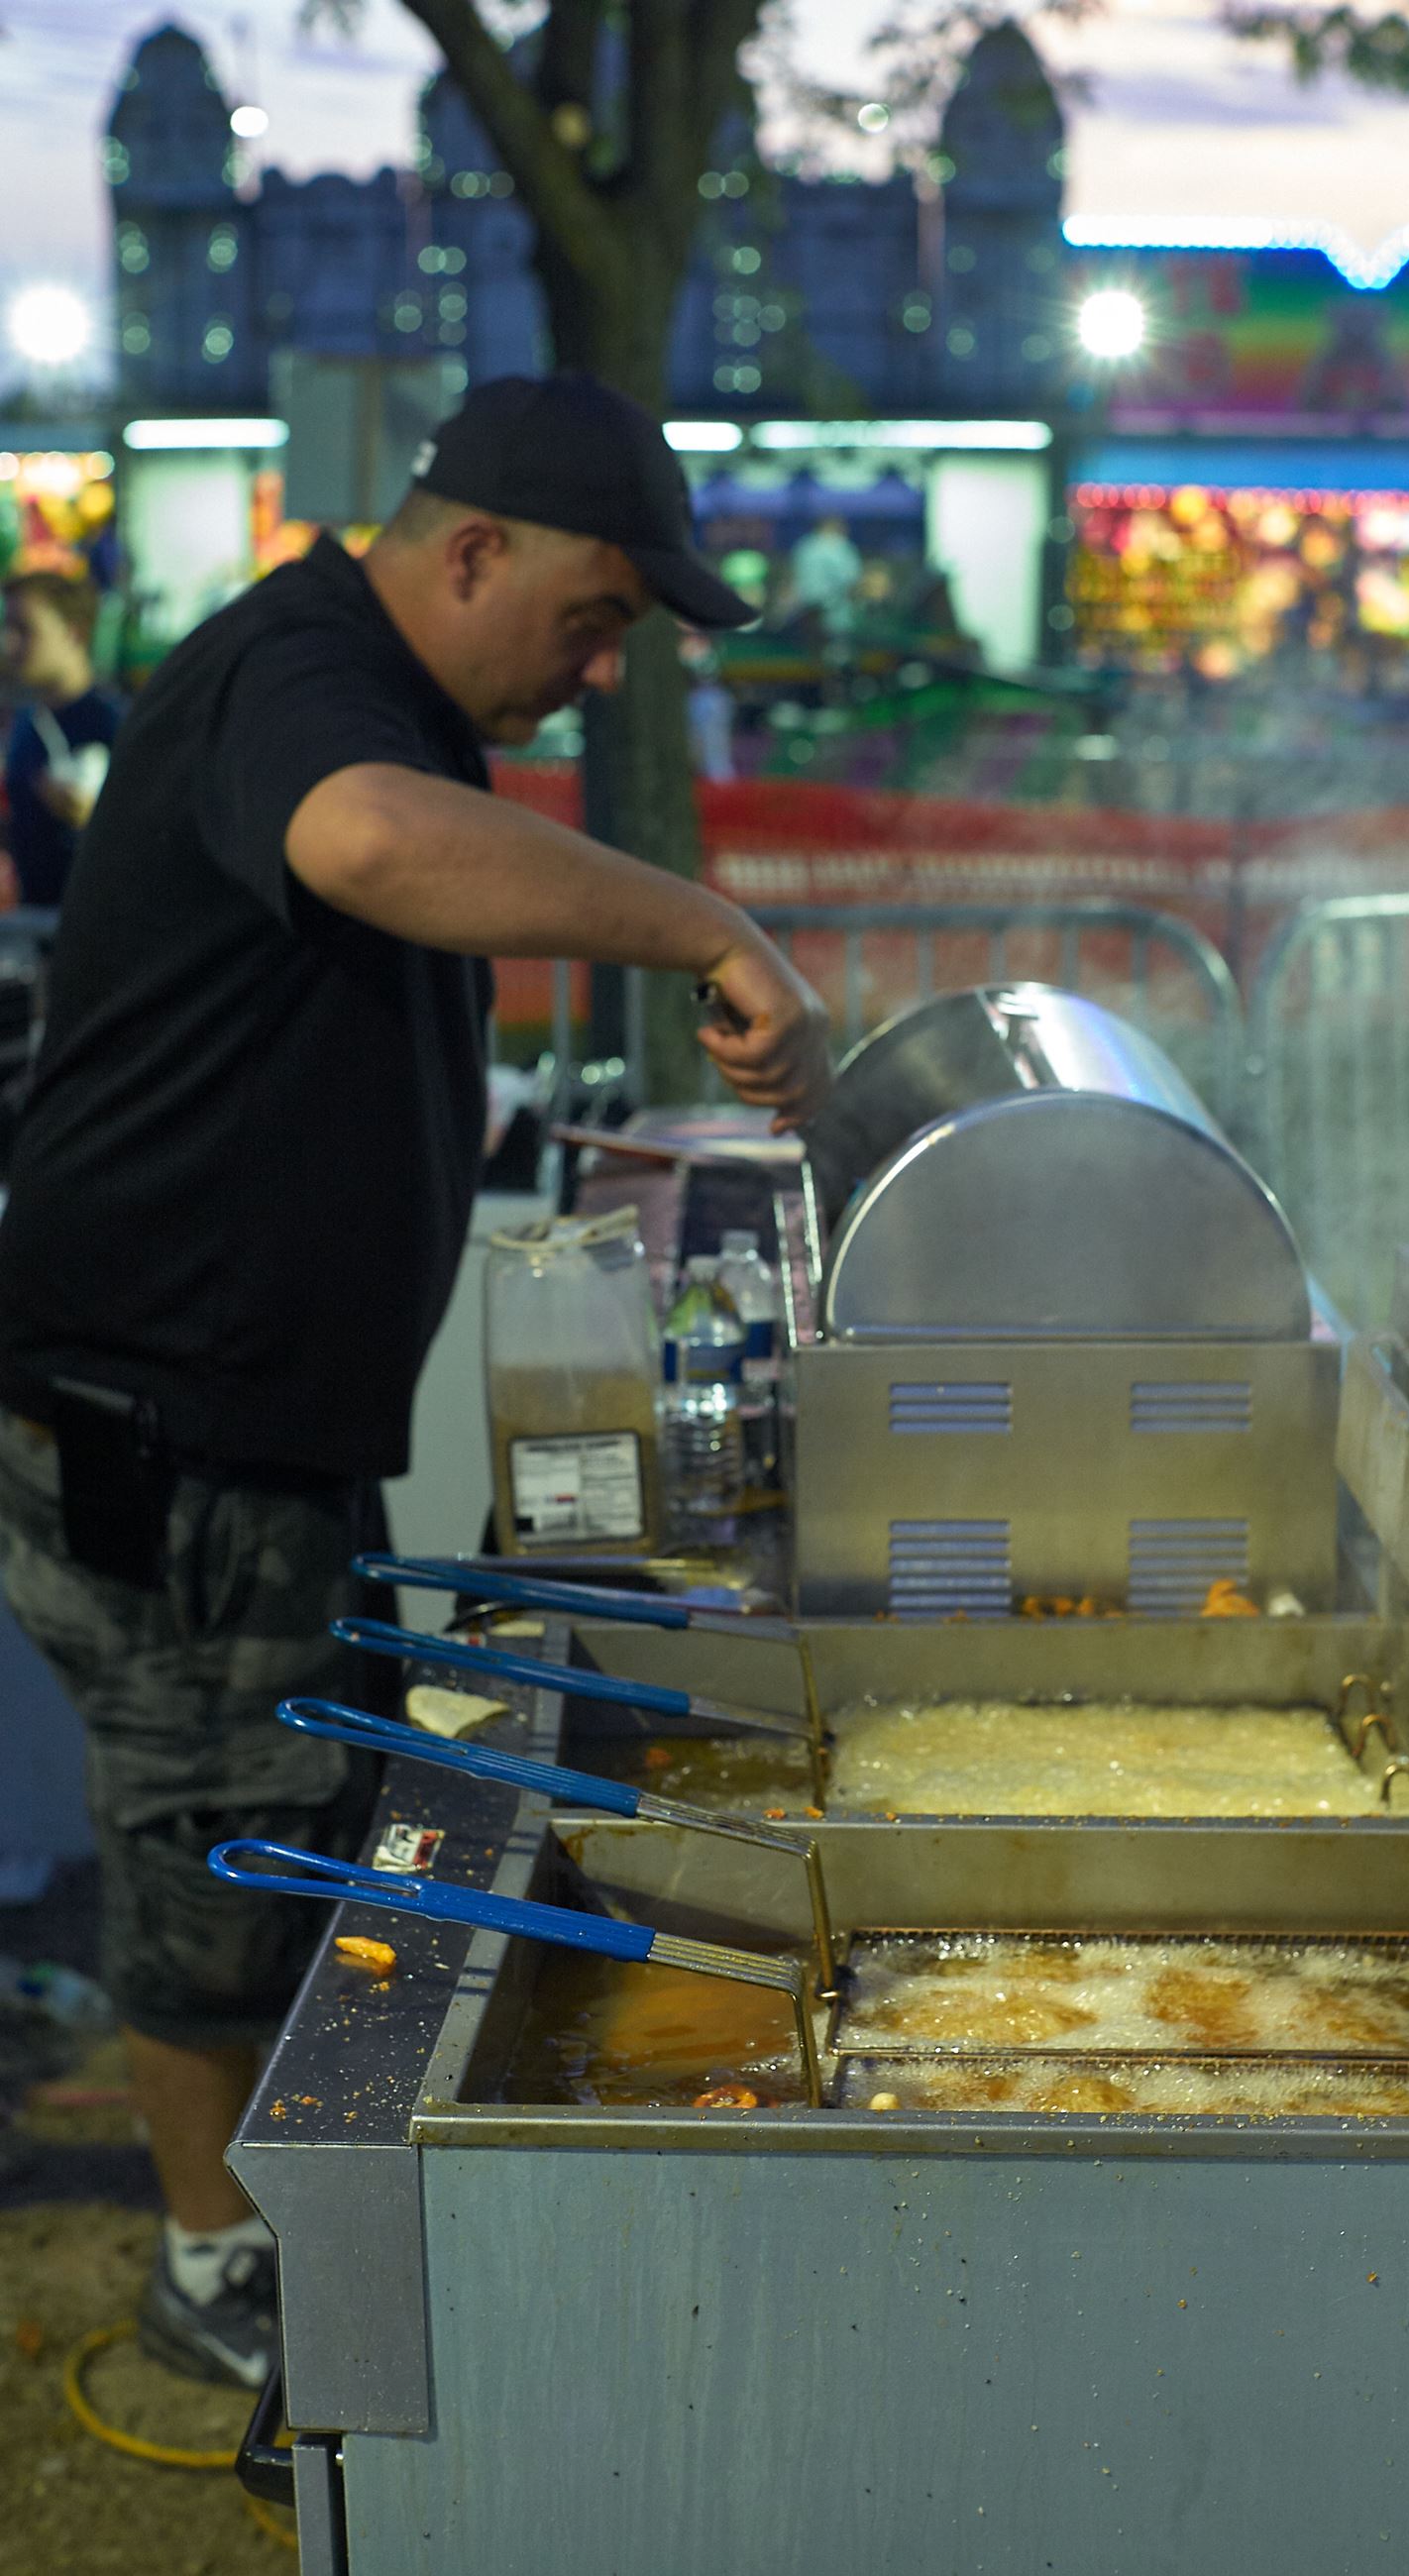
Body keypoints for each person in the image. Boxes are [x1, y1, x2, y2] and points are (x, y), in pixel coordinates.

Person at [0, 373, 829, 2391]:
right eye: (597, 614)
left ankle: (293, 2203)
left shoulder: (365, 685)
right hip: (157, 1416)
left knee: (301, 1807)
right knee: (213, 1838)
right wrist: (702, 923)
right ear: (471, 552)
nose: (602, 661)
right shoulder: (300, 670)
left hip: (246, 1414)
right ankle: (216, 2267)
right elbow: (366, 840)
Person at [1, 570, 123, 908]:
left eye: (25, 629)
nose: (9, 643)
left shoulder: (115, 724)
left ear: (74, 632)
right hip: (35, 931)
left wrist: (92, 821)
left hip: (98, 934)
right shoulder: (27, 724)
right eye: (7, 628)